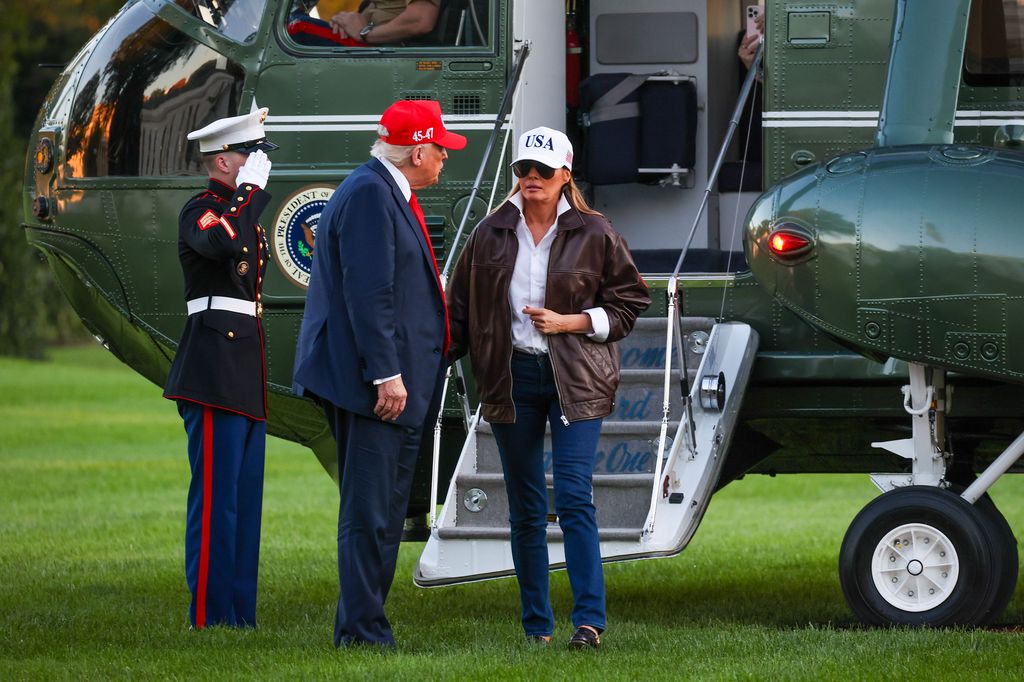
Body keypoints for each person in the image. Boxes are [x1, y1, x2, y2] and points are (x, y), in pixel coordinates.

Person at [446, 126, 651, 649]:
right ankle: (536, 626)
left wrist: (572, 322)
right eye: (523, 170)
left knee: (576, 498)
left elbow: (631, 304)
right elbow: (459, 315)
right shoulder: (489, 232)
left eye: (542, 170)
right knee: (525, 508)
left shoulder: (596, 231)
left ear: (565, 174)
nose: (531, 178)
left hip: (576, 379)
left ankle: (589, 623)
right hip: (510, 379)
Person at [292, 99, 465, 648]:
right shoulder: (371, 193)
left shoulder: (385, 188)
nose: (444, 160)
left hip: (394, 383)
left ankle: (361, 624)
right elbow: (371, 294)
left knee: (385, 510)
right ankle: (362, 632)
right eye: (441, 149)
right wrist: (386, 374)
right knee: (369, 512)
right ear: (417, 149)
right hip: (376, 385)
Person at [162, 107, 277, 629]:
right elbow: (222, 242)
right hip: (212, 369)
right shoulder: (202, 210)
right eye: (253, 157)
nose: (261, 166)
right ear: (226, 161)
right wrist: (248, 195)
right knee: (215, 502)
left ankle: (240, 616)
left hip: (243, 366)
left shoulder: (237, 210)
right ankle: (208, 616)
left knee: (244, 503)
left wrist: (246, 199)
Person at [288, 0, 440, 47]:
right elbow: (384, 7)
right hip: (376, 41)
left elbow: (421, 20)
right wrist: (347, 21)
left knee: (297, 27)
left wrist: (365, 34)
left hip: (389, 48)